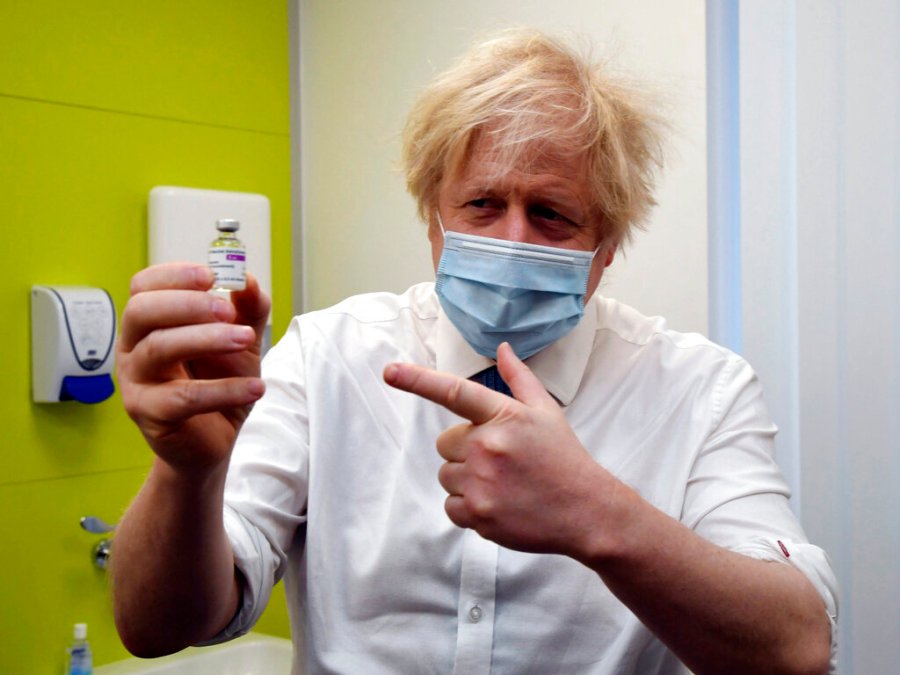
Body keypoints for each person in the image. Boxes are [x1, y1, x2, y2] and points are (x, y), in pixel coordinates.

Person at [111, 28, 837, 674]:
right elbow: (157, 628)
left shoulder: (700, 390)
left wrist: (599, 515)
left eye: (551, 214)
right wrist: (187, 474)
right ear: (434, 218)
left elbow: (796, 646)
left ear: (607, 247)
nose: (511, 241)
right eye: (482, 204)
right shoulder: (326, 357)